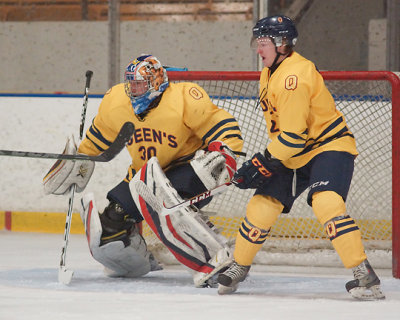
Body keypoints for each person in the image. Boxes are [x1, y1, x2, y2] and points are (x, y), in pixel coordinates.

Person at [217, 15, 385, 300]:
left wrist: (260, 162)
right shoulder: (269, 71)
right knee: (262, 205)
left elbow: (293, 137)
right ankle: (239, 265)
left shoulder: (294, 77)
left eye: (264, 43)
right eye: (257, 43)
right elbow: (287, 136)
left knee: (326, 202)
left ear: (282, 44)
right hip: (294, 153)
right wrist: (266, 163)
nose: (259, 50)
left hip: (328, 146)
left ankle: (363, 274)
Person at [43, 54, 244, 287]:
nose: (133, 89)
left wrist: (229, 152)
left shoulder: (183, 97)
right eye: (131, 83)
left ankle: (214, 257)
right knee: (112, 223)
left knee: (166, 203)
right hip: (143, 175)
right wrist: (80, 159)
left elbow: (218, 123)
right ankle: (133, 262)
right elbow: (100, 136)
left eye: (139, 83)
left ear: (156, 82)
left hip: (187, 169)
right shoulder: (116, 100)